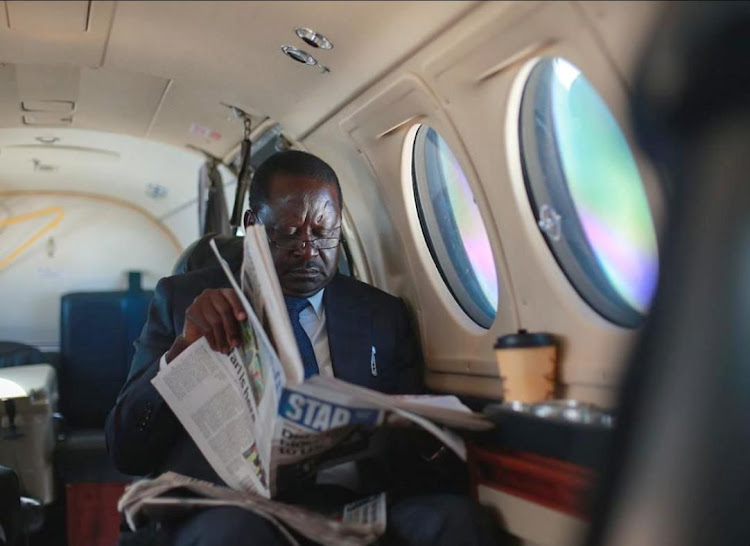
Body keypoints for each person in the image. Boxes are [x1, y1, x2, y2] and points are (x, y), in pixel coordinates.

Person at [106, 150, 500, 545]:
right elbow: (127, 450)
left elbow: (414, 445)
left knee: (456, 521)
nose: (309, 250)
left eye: (323, 232)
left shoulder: (380, 313)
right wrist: (181, 352)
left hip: (350, 504)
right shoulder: (183, 301)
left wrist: (424, 436)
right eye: (289, 234)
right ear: (253, 226)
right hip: (234, 509)